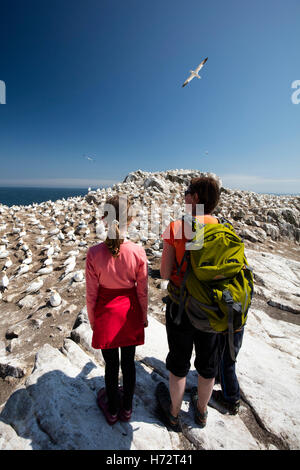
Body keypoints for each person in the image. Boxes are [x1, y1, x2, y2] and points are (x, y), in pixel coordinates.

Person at [156, 175, 221, 430]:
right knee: (207, 364)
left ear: (195, 198)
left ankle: (173, 413)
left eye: (187, 192)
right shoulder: (223, 226)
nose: (183, 196)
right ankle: (202, 412)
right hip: (211, 307)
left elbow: (163, 272)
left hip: (181, 306)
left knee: (179, 362)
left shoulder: (178, 227)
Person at [85, 195, 148, 425]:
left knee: (111, 366)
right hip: (130, 314)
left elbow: (91, 294)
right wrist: (143, 316)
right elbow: (142, 291)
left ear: (103, 219)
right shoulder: (138, 252)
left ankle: (112, 409)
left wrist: (93, 321)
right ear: (129, 221)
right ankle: (127, 409)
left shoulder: (93, 254)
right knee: (129, 364)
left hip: (105, 315)